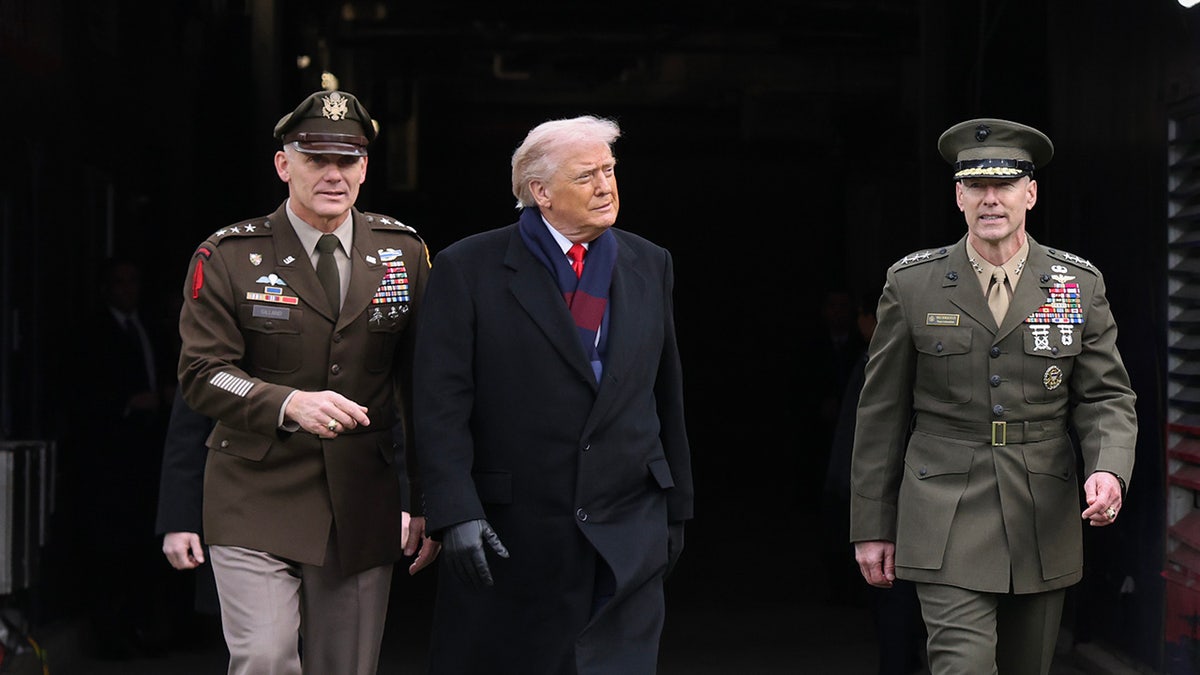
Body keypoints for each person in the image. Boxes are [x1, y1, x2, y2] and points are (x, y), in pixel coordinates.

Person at [849, 118, 1138, 675]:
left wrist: (1109, 469)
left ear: (1030, 193)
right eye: (976, 186)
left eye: (1004, 185)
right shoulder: (912, 285)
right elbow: (881, 412)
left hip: (1042, 511)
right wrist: (872, 524)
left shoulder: (1075, 284)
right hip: (943, 510)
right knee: (963, 665)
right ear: (958, 195)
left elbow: (1105, 395)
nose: (990, 200)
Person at [413, 114, 694, 674]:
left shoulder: (648, 262)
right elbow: (440, 401)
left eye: (610, 171)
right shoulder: (468, 267)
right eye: (586, 175)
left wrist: (677, 508)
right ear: (540, 192)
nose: (605, 186)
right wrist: (453, 509)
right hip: (516, 531)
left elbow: (665, 392)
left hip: (628, 521)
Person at [176, 87, 440, 675]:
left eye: (347, 160)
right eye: (316, 158)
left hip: (361, 497)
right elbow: (202, 375)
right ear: (283, 164)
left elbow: (425, 387)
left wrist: (426, 497)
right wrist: (286, 401)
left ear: (365, 168)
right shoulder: (229, 256)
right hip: (254, 490)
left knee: (344, 666)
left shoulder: (402, 252)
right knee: (265, 656)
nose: (333, 174)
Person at [76, 257, 175, 659]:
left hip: (150, 451)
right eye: (119, 282)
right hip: (111, 456)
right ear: (106, 288)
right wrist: (127, 403)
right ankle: (111, 634)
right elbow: (81, 390)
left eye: (133, 281)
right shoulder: (94, 332)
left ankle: (142, 627)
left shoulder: (149, 327)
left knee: (145, 546)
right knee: (112, 547)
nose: (127, 289)